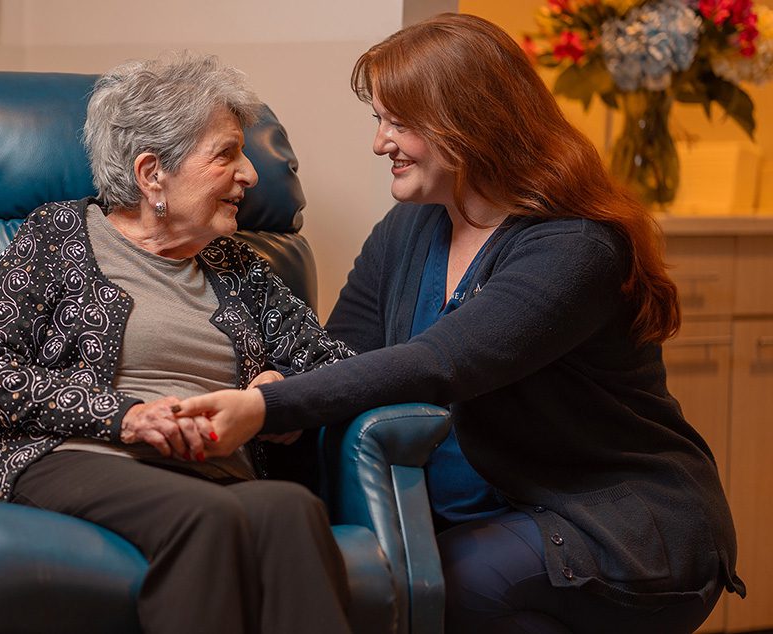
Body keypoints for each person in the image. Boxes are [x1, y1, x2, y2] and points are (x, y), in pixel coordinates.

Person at [177, 13, 746, 634]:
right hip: (486, 517)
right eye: (380, 120)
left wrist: (272, 407)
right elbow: (341, 354)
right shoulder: (411, 228)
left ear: (467, 123)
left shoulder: (575, 247)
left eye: (400, 123)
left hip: (613, 519)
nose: (380, 143)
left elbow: (441, 363)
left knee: (446, 584)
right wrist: (278, 378)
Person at [0, 52, 355, 634]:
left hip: (215, 471)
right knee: (208, 519)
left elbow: (337, 368)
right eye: (225, 154)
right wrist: (129, 418)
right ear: (152, 174)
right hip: (77, 457)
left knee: (292, 508)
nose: (249, 173)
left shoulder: (238, 267)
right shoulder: (60, 235)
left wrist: (278, 392)